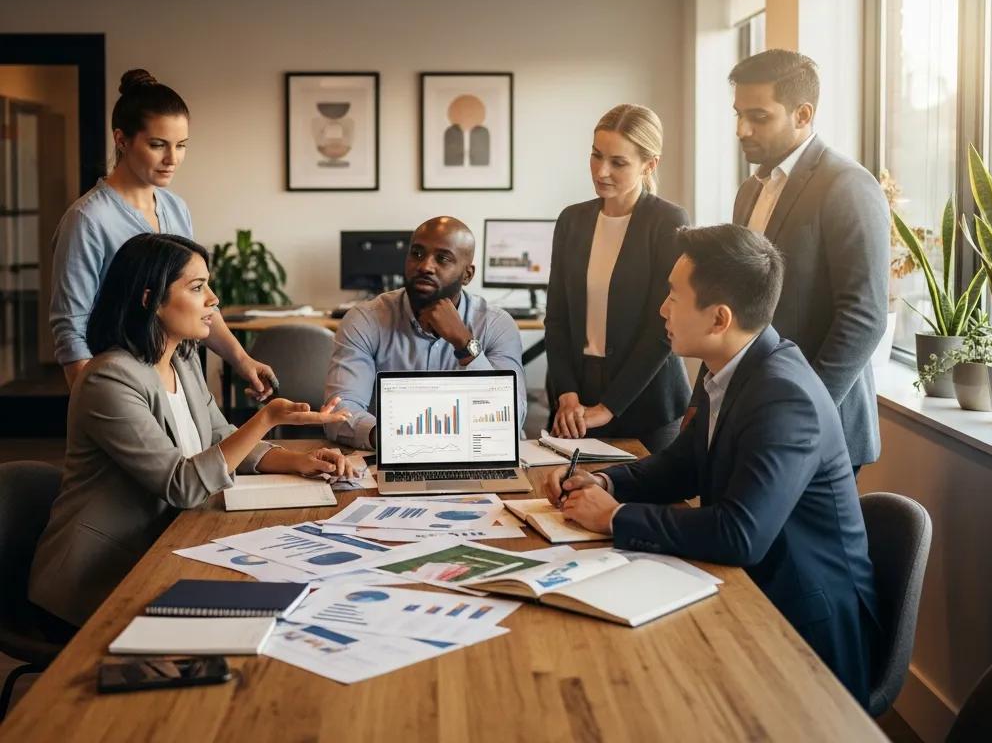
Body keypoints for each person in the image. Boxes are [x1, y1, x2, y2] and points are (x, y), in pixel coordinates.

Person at [545, 224, 880, 707]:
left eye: (673, 296)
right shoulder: (732, 367)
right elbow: (682, 466)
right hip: (747, 589)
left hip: (802, 628)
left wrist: (614, 517)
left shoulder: (785, 396)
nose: (662, 309)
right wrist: (601, 481)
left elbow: (741, 534)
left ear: (719, 318)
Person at [29, 234, 357, 630]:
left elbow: (220, 438)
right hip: (98, 579)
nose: (213, 300)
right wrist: (267, 418)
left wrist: (299, 461)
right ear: (150, 299)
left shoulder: (181, 361)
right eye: (198, 287)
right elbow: (181, 484)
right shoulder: (109, 379)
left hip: (164, 547)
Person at [50, 68, 276, 398]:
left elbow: (198, 298)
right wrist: (94, 402)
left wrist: (242, 360)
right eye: (158, 145)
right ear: (121, 140)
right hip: (122, 384)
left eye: (181, 145)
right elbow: (71, 327)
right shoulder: (88, 219)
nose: (172, 159)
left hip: (180, 375)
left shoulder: (175, 208)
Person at [730, 50, 889, 473]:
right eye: (739, 114)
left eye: (758, 117)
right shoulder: (750, 190)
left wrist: (802, 410)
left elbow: (865, 317)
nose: (742, 129)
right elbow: (739, 308)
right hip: (753, 415)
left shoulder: (848, 185)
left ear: (803, 114)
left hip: (816, 427)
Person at [545, 104, 691, 454]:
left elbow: (662, 328)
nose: (602, 171)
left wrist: (607, 408)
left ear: (649, 164)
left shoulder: (668, 221)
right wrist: (567, 395)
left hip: (645, 401)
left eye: (618, 162)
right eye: (596, 156)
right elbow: (557, 318)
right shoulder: (571, 220)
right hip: (575, 401)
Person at [323, 216, 526, 449]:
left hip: (475, 453)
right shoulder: (365, 319)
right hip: (392, 454)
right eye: (417, 254)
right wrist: (396, 439)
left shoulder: (496, 324)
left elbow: (512, 418)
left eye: (443, 258)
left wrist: (465, 344)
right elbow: (338, 413)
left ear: (467, 275)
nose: (425, 266)